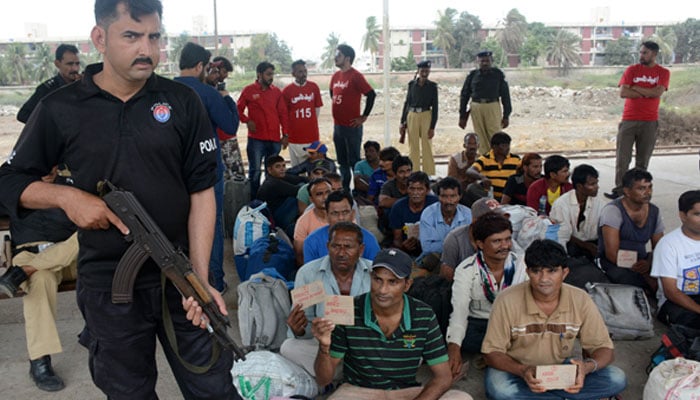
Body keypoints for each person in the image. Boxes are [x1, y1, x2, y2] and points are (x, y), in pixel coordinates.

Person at [0, 1, 240, 398]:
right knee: (129, 392)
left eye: (154, 37)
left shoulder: (181, 101)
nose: (146, 49)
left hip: (179, 273)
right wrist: (67, 197)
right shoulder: (61, 108)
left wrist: (198, 278)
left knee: (215, 388)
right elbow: (9, 180)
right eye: (131, 36)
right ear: (100, 38)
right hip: (110, 285)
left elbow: (202, 192)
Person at [312, 248, 473, 400]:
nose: (382, 290)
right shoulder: (351, 311)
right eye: (378, 280)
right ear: (371, 278)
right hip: (358, 391)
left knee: (461, 398)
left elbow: (443, 377)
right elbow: (323, 379)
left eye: (392, 282)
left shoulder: (423, 314)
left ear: (407, 285)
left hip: (406, 392)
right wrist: (324, 347)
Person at [482, 239, 627, 400]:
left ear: (564, 273)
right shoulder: (506, 300)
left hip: (559, 369)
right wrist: (523, 370)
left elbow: (604, 348)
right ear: (528, 272)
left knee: (617, 378)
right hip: (516, 370)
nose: (544, 279)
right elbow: (492, 353)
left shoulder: (580, 299)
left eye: (552, 271)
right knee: (502, 390)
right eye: (537, 271)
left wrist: (586, 368)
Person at [0, 167, 78, 392]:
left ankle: (24, 271)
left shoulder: (75, 176)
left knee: (87, 235)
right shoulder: (12, 181)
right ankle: (40, 361)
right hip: (30, 252)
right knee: (41, 281)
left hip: (71, 257)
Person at [174, 41, 239, 292]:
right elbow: (230, 126)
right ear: (200, 65)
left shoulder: (163, 91)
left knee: (178, 223)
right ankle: (213, 281)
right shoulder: (207, 93)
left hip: (173, 172)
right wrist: (227, 98)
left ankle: (183, 281)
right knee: (211, 223)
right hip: (207, 172)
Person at [281, 222, 371, 377]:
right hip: (325, 348)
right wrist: (299, 330)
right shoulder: (308, 273)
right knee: (288, 347)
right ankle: (347, 376)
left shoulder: (374, 273)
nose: (341, 253)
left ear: (361, 250)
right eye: (336, 246)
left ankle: (331, 377)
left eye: (348, 247)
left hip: (366, 347)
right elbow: (307, 326)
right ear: (328, 246)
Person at [446, 212, 527, 379]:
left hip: (513, 323)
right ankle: (500, 354)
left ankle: (492, 355)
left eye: (508, 239)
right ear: (480, 244)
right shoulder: (466, 269)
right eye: (497, 241)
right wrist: (454, 349)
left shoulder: (523, 265)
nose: (505, 246)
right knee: (464, 337)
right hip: (480, 324)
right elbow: (459, 312)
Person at [606, 41, 670, 199]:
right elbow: (623, 92)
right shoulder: (632, 70)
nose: (641, 55)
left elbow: (657, 92)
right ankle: (621, 191)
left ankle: (639, 191)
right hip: (629, 119)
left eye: (645, 53)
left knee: (643, 160)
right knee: (623, 158)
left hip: (649, 121)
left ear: (654, 54)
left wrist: (635, 88)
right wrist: (647, 92)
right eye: (641, 52)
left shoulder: (663, 72)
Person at [598, 168, 664, 295]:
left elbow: (660, 246)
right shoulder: (613, 211)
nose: (648, 192)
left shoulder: (654, 211)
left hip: (642, 261)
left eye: (650, 187)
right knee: (633, 283)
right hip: (614, 262)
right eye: (641, 188)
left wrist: (649, 263)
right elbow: (611, 254)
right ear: (627, 191)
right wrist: (641, 269)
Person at [439, 197, 524, 282]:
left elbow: (520, 264)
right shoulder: (455, 239)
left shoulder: (504, 239)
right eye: (494, 221)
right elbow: (447, 276)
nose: (500, 224)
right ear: (476, 221)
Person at [238, 61, 290, 198]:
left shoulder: (277, 92)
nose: (270, 77)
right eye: (268, 74)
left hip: (274, 139)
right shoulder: (249, 90)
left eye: (272, 74)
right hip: (256, 140)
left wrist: (285, 134)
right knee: (255, 172)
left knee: (272, 173)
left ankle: (271, 200)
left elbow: (283, 114)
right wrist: (247, 120)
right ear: (259, 74)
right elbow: (237, 110)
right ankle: (254, 200)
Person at [330, 44, 376, 192]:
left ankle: (358, 190)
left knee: (354, 161)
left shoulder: (356, 76)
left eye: (339, 55)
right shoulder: (335, 76)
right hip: (338, 126)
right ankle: (344, 189)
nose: (335, 58)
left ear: (347, 58)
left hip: (352, 127)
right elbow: (333, 93)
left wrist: (363, 116)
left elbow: (371, 94)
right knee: (342, 161)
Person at [651, 190, 700, 329]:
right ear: (682, 216)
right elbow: (671, 292)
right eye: (697, 214)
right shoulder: (668, 245)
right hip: (675, 303)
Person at [458, 50, 512, 155]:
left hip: (492, 106)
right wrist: (462, 116)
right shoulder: (472, 75)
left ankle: (498, 160)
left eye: (487, 61)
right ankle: (485, 161)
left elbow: (505, 95)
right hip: (476, 107)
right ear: (478, 61)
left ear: (491, 61)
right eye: (482, 61)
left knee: (496, 136)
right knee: (480, 136)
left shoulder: (498, 74)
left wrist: (506, 115)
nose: (485, 63)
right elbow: (464, 95)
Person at [304, 190, 379, 264]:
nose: (341, 218)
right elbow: (310, 273)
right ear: (327, 216)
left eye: (345, 212)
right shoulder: (312, 241)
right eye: (335, 213)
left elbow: (375, 271)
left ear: (353, 214)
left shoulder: (368, 239)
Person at [550, 164, 606, 260]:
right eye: (592, 184)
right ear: (579, 186)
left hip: (593, 243)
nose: (597, 187)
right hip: (571, 245)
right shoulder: (561, 204)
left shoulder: (600, 204)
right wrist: (586, 245)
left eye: (596, 183)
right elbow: (562, 235)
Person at [17, 44, 81, 123]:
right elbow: (23, 115)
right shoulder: (46, 90)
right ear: (57, 64)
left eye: (77, 64)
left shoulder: (82, 86)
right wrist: (50, 126)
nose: (75, 68)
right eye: (70, 64)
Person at [399, 60, 439, 175]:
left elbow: (435, 107)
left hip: (426, 115)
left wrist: (432, 127)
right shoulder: (412, 85)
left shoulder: (432, 86)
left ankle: (429, 173)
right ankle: (414, 173)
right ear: (418, 71)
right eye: (422, 71)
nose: (424, 73)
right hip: (412, 115)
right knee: (413, 146)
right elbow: (407, 103)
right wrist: (402, 121)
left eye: (427, 71)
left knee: (427, 146)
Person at [282, 59, 324, 167]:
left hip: (311, 135)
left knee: (313, 167)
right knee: (296, 169)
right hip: (294, 137)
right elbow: (284, 114)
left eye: (305, 71)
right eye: (300, 72)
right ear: (293, 74)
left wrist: (309, 123)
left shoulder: (314, 87)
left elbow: (317, 109)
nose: (303, 74)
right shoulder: (287, 91)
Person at [388, 171, 438, 257]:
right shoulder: (398, 207)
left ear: (427, 190)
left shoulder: (435, 205)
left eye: (420, 189)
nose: (416, 193)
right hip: (406, 253)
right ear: (407, 189)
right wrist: (403, 246)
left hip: (432, 250)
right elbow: (397, 239)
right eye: (412, 189)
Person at [419, 177, 472, 255]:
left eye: (453, 196)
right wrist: (457, 245)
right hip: (435, 259)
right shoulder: (428, 214)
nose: (448, 201)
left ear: (459, 197)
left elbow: (471, 244)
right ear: (438, 197)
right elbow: (427, 248)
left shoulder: (468, 214)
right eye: (444, 196)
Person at [256, 155, 306, 235]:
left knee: (302, 184)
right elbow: (299, 191)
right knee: (299, 195)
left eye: (283, 166)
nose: (282, 169)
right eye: (278, 166)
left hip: (280, 211)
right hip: (275, 220)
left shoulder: (279, 176)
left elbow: (300, 179)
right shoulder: (273, 183)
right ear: (269, 170)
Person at [465, 132, 521, 202]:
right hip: (490, 196)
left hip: (510, 196)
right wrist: (482, 177)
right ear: (494, 147)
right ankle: (492, 204)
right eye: (504, 145)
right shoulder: (485, 159)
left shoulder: (516, 159)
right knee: (471, 188)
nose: (507, 148)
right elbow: (470, 171)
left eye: (508, 145)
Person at [293, 177, 332, 266]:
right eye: (319, 194)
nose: (325, 197)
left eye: (328, 192)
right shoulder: (303, 221)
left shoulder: (343, 216)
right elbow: (299, 255)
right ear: (311, 199)